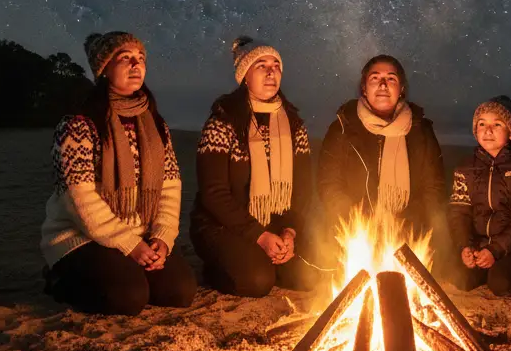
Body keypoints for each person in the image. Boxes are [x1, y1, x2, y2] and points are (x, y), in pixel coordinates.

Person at [40, 32, 197, 315]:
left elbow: (170, 187)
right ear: (104, 69)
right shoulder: (79, 124)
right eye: (125, 58)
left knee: (180, 292)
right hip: (83, 235)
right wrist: (129, 244)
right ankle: (61, 279)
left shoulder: (155, 124)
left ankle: (122, 270)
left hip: (141, 233)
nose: (135, 65)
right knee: (128, 297)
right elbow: (80, 199)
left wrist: (162, 237)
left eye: (140, 59)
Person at [190, 36, 316, 297]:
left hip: (276, 225)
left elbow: (303, 189)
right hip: (223, 226)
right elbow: (214, 194)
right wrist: (259, 236)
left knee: (315, 273)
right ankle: (218, 268)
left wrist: (290, 233)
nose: (271, 72)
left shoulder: (293, 125)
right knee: (257, 281)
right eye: (261, 66)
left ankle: (271, 258)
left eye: (276, 65)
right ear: (244, 76)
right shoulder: (223, 122)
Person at [318, 54, 446, 244]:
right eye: (375, 78)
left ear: (401, 89)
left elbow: (434, 188)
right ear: (364, 87)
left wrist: (403, 223)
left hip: (408, 237)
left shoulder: (421, 131)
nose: (383, 85)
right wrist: (361, 222)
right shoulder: (343, 127)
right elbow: (328, 184)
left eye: (391, 79)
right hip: (354, 236)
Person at [448, 96, 511, 296]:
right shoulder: (465, 167)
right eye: (482, 124)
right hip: (478, 244)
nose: (487, 130)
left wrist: (496, 250)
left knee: (502, 285)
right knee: (458, 278)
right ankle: (482, 265)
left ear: (510, 132)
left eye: (497, 124)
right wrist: (465, 246)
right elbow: (459, 212)